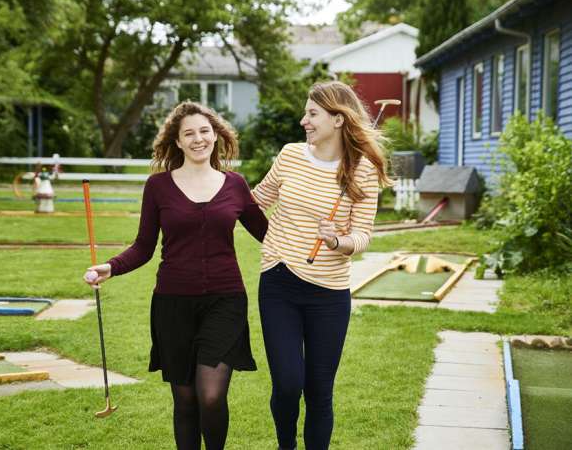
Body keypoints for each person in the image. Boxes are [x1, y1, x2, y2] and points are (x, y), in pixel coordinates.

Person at [84, 101, 268, 450]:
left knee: (211, 395)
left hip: (225, 301)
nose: (198, 139)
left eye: (204, 131)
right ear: (178, 142)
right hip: (172, 305)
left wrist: (317, 235)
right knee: (185, 402)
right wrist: (109, 267)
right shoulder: (158, 187)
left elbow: (269, 236)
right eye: (189, 133)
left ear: (215, 135)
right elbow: (143, 247)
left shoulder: (236, 185)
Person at [251, 81, 392, 450]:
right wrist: (208, 194)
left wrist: (336, 240)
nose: (304, 121)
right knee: (287, 383)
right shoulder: (290, 156)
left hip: (329, 293)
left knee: (318, 390)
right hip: (279, 284)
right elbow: (255, 201)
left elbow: (362, 235)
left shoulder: (361, 170)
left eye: (312, 114)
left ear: (338, 119)